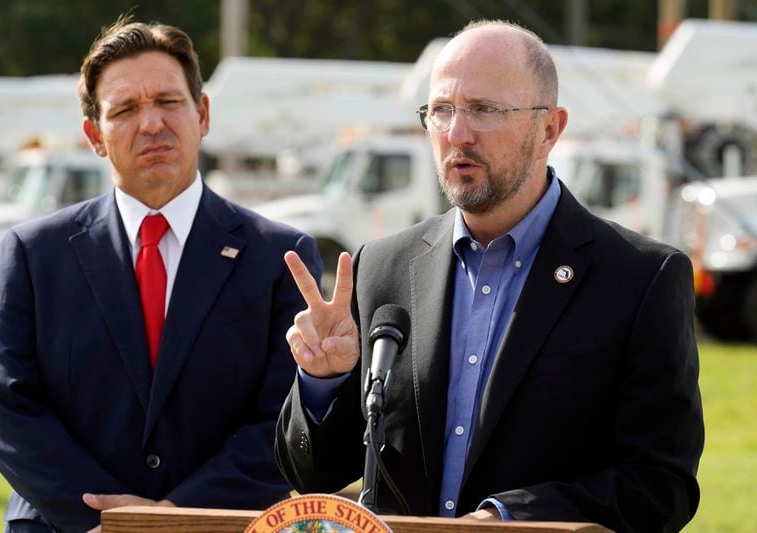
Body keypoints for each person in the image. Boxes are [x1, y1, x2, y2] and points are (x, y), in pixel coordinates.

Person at [275, 19, 703, 533]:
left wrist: (507, 519)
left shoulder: (641, 278)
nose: (457, 133)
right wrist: (325, 382)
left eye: (484, 110)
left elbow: (661, 486)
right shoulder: (380, 268)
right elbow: (316, 474)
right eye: (441, 110)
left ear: (550, 129)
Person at [0, 18, 321, 533]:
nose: (152, 123)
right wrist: (101, 516)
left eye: (168, 101)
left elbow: (284, 418)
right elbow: (6, 407)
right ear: (95, 135)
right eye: (126, 109)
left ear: (202, 114)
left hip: (218, 527)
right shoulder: (32, 254)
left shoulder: (281, 257)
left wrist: (176, 520)